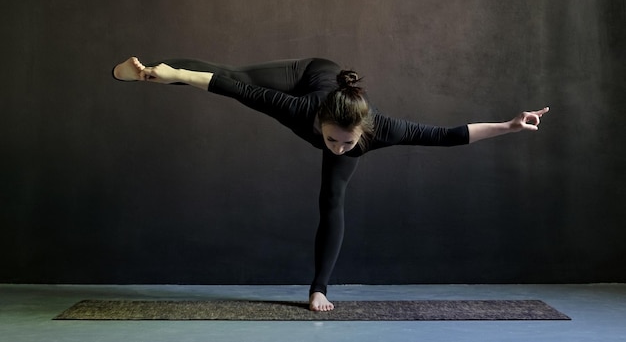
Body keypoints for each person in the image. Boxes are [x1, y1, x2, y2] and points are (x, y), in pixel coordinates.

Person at [113, 56, 549, 312]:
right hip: (308, 72)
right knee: (236, 77)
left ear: (362, 135)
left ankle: (318, 287)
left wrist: (509, 126)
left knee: (332, 199)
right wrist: (174, 77)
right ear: (319, 125)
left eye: (346, 143)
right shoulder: (296, 108)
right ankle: (159, 67)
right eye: (331, 141)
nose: (337, 150)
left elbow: (447, 135)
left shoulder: (383, 129)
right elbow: (227, 89)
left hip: (335, 82)